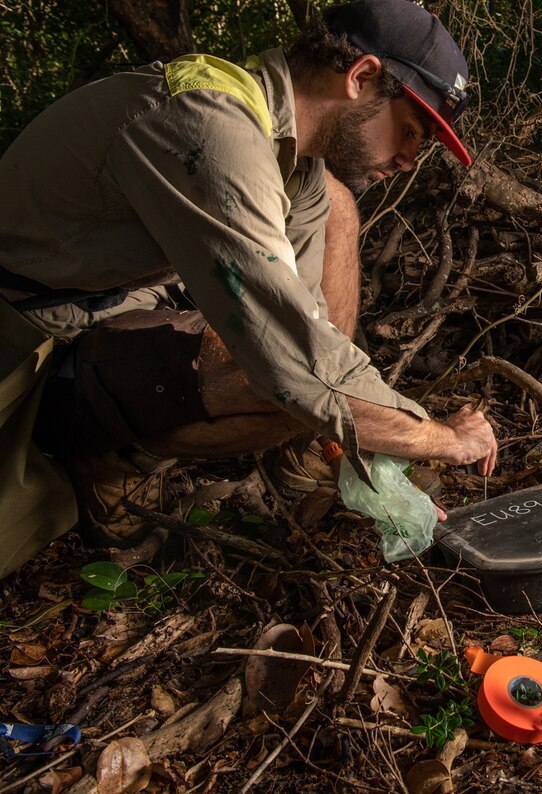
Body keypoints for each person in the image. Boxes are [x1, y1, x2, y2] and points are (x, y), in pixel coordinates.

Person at [0, 0, 498, 577]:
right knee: (291, 385)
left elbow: (311, 327)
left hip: (117, 301)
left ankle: (310, 447)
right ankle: (105, 461)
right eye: (410, 131)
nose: (411, 159)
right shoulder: (211, 127)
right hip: (30, 324)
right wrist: (437, 437)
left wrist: (368, 441)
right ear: (360, 78)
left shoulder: (298, 160)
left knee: (335, 221)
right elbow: (295, 362)